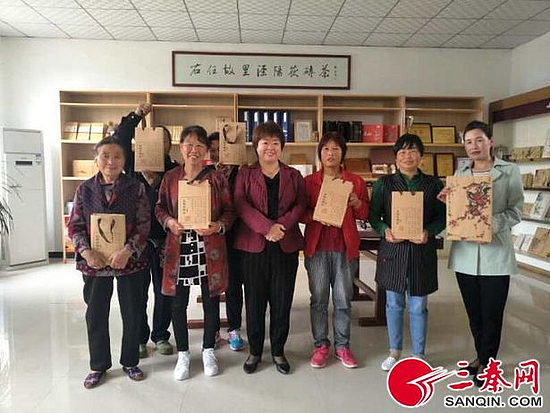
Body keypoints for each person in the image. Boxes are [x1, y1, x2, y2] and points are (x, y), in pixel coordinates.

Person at [437, 121, 523, 386]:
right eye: (468, 142)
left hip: (495, 253)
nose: (473, 146)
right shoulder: (460, 173)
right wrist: (448, 201)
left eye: (479, 140)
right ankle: (480, 356)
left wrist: (489, 224)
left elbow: (516, 211)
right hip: (465, 255)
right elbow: (459, 212)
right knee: (474, 312)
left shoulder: (509, 171)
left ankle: (488, 361)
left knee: (492, 313)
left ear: (490, 141)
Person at [68, 136, 150, 389]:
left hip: (130, 262)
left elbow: (144, 224)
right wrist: (86, 252)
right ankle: (98, 365)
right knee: (96, 314)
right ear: (96, 159)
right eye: (105, 156)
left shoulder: (136, 188)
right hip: (94, 262)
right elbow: (74, 226)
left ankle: (130, 361)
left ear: (125, 161)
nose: (111, 161)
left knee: (133, 312)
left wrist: (127, 250)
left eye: (117, 156)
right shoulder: (84, 190)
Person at [155, 125, 235, 380]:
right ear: (180, 148)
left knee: (211, 301)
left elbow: (230, 211)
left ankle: (208, 349)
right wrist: (170, 222)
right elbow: (159, 208)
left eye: (199, 145)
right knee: (178, 303)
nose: (194, 150)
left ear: (206, 150)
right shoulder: (170, 178)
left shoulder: (216, 179)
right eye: (189, 144)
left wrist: (217, 226)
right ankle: (183, 354)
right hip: (179, 248)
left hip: (209, 248)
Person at [234, 121, 307, 375]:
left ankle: (278, 350)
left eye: (276, 142)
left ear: (282, 146)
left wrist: (280, 227)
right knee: (254, 301)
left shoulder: (293, 175)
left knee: (282, 300)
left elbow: (300, 204)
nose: (270, 147)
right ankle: (255, 351)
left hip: (285, 246)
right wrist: (266, 228)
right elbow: (240, 204)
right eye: (265, 142)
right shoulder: (245, 174)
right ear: (256, 146)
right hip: (253, 246)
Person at [369, 134, 446, 372]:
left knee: (418, 305)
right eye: (402, 152)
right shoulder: (384, 184)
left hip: (421, 250)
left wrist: (429, 231)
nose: (407, 156)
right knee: (393, 304)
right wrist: (385, 230)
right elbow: (374, 215)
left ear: (421, 156)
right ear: (396, 158)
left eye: (412, 151)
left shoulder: (434, 184)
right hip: (393, 250)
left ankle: (419, 354)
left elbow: (443, 216)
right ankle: (394, 351)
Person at [115, 103, 178, 358]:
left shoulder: (174, 170)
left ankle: (161, 335)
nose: (157, 145)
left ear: (169, 146)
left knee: (165, 291)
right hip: (136, 243)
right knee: (137, 293)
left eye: (162, 141)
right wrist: (136, 116)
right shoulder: (132, 165)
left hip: (165, 241)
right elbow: (119, 139)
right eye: (151, 140)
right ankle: (140, 338)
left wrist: (157, 182)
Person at [302, 132, 369, 369]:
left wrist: (357, 203)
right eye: (326, 149)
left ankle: (342, 346)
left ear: (343, 154)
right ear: (320, 154)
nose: (330, 153)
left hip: (344, 248)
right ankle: (321, 345)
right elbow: (300, 212)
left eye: (336, 149)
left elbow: (365, 214)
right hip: (317, 248)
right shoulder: (309, 182)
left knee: (343, 300)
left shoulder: (355, 182)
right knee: (318, 299)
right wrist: (315, 214)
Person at [208, 131, 245, 351]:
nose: (216, 154)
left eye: (219, 149)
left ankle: (234, 328)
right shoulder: (204, 173)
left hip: (236, 236)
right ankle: (212, 329)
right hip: (210, 236)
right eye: (211, 150)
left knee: (233, 284)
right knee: (211, 285)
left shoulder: (241, 172)